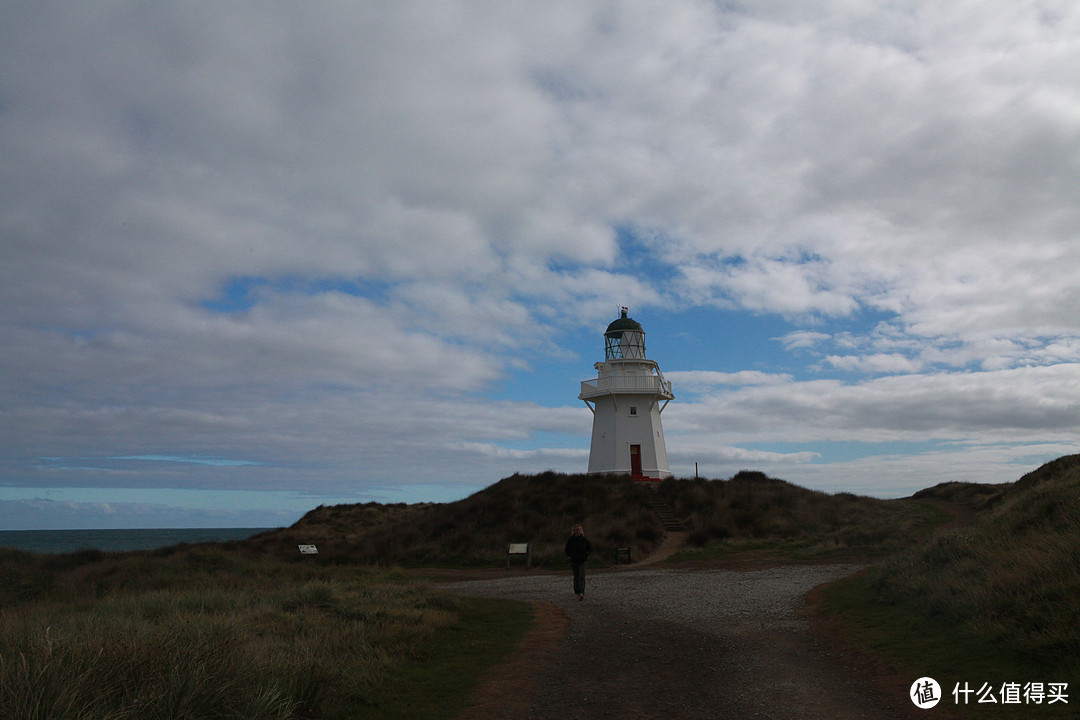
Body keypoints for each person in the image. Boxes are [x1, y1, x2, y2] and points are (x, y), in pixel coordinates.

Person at [564, 523, 592, 601]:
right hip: (574, 561)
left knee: (581, 576)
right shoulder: (571, 540)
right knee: (576, 577)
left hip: (583, 561)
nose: (578, 531)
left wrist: (586, 554)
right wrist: (571, 555)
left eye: (579, 529)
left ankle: (581, 592)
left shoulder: (584, 539)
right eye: (576, 529)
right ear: (574, 531)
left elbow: (589, 548)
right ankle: (577, 591)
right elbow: (567, 550)